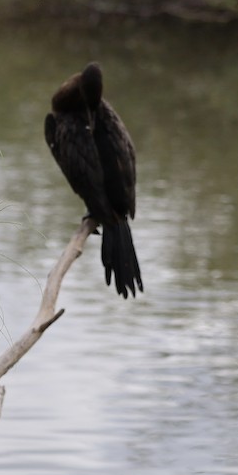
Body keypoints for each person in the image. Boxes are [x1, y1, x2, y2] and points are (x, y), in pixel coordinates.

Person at [44, 62, 143, 298]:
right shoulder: (87, 115)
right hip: (110, 205)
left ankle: (103, 216)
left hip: (110, 207)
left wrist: (103, 211)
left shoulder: (65, 122)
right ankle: (103, 215)